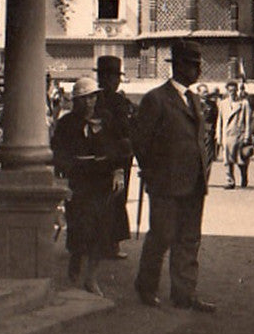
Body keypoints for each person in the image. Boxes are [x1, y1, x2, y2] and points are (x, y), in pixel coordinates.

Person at [131, 39, 218, 312]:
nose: (198, 70)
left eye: (198, 64)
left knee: (189, 239)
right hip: (166, 183)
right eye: (193, 65)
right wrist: (153, 172)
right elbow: (140, 140)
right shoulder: (156, 99)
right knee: (162, 236)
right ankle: (146, 287)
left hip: (193, 182)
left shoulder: (194, 99)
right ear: (178, 66)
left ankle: (184, 294)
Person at [51, 76, 133, 294]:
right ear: (75, 101)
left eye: (93, 98)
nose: (90, 103)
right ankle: (75, 260)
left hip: (102, 182)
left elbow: (120, 148)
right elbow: (57, 152)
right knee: (79, 228)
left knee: (100, 231)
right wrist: (68, 166)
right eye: (84, 99)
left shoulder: (106, 120)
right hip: (79, 183)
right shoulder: (67, 123)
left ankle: (91, 277)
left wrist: (117, 171)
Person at [94, 56, 136, 259]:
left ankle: (102, 244)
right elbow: (126, 129)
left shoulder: (94, 99)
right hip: (117, 158)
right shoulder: (118, 101)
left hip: (101, 157)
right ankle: (112, 246)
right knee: (116, 200)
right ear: (106, 78)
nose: (116, 81)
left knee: (103, 200)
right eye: (113, 77)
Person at [218, 81, 253, 189]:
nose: (232, 93)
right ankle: (230, 181)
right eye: (230, 90)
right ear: (227, 91)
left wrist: (247, 136)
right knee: (228, 160)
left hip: (239, 135)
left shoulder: (244, 103)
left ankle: (243, 177)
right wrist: (218, 136)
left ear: (237, 90)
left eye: (234, 90)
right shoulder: (223, 103)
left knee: (241, 160)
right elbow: (220, 121)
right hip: (227, 135)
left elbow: (248, 121)